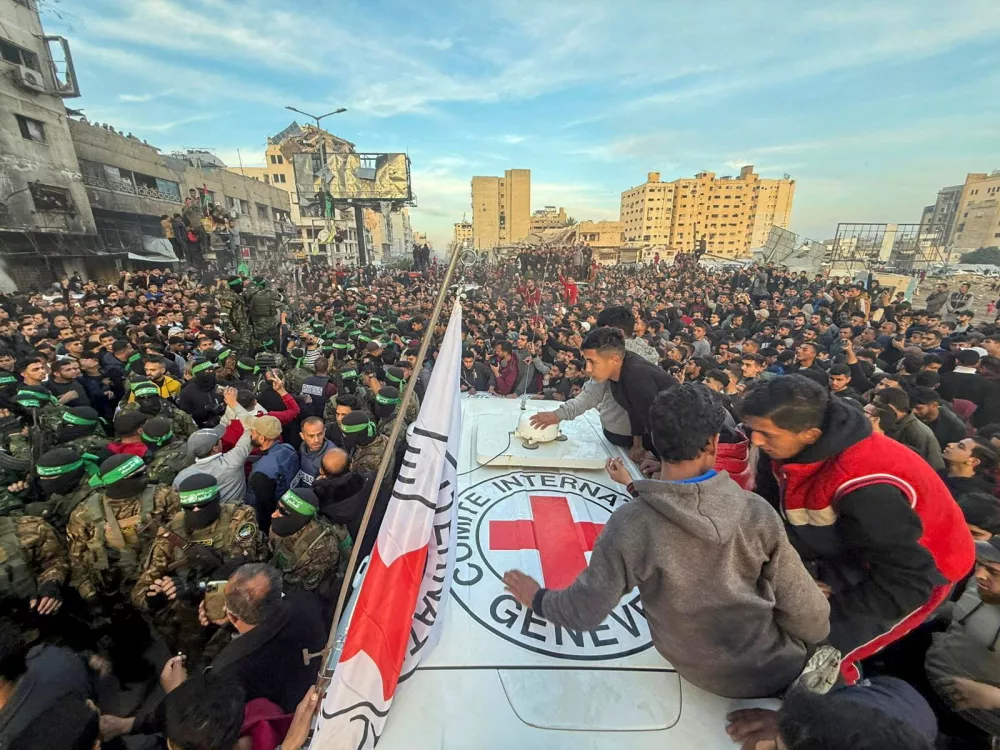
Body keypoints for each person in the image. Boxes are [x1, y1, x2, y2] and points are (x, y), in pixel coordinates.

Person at [504, 384, 830, 698]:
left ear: (655, 441)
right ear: (713, 444)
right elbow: (813, 621)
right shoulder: (758, 513)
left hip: (699, 673)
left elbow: (583, 612)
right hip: (777, 670)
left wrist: (537, 598)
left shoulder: (631, 525)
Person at [740, 375, 975, 684]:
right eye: (751, 429)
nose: (754, 441)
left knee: (825, 648)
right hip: (853, 547)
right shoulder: (779, 448)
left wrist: (832, 613)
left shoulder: (866, 483)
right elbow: (770, 517)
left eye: (765, 433)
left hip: (917, 572)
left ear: (811, 435)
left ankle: (801, 720)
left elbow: (907, 580)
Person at [245, 414, 299, 532]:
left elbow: (265, 507)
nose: (251, 435)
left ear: (261, 438)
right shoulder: (288, 449)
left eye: (253, 433)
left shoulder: (261, 473)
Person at [872, 387, 946, 470]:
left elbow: (934, 466)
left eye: (875, 404)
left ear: (890, 407)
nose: (871, 407)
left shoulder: (920, 433)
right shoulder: (884, 422)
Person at [910, 386, 968, 451]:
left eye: (918, 408)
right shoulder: (910, 415)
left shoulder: (955, 426)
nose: (913, 411)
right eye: (911, 407)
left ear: (934, 405)